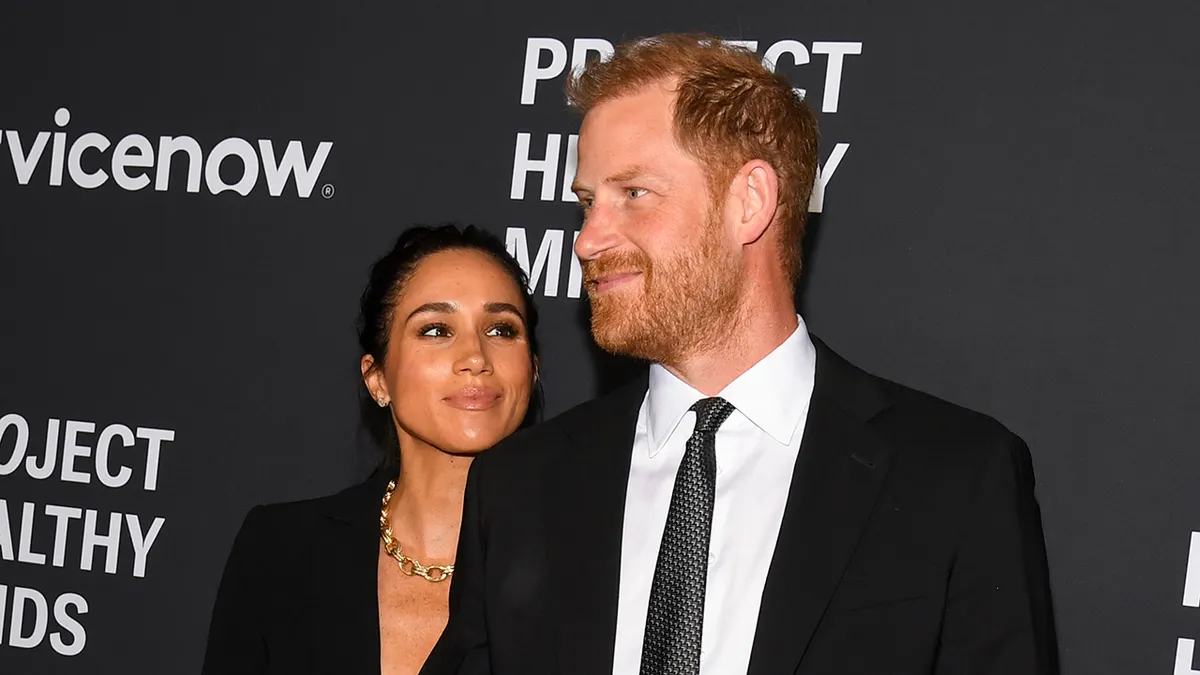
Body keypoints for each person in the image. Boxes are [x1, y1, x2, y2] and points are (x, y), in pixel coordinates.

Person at [421, 34, 1058, 675]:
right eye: (587, 204)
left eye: (634, 194)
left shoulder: (953, 478)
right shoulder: (519, 488)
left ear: (749, 201)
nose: (587, 240)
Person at [201, 224, 542, 675]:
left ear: (532, 370)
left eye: (501, 330)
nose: (476, 357)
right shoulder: (281, 551)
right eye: (437, 330)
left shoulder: (587, 572)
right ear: (377, 378)